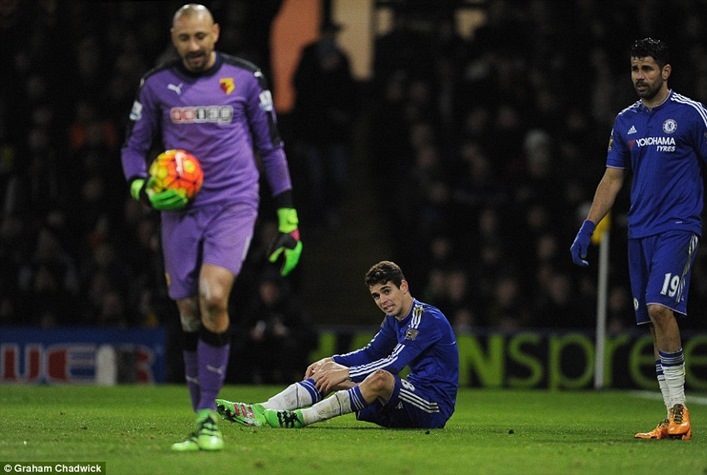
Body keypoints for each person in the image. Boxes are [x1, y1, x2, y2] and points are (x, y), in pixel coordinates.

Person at [120, 4, 303, 451]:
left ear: (215, 33)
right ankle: (202, 417)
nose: (194, 47)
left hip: (233, 203)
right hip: (180, 210)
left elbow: (272, 148)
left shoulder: (244, 79)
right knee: (186, 311)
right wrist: (143, 190)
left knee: (213, 296)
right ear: (174, 37)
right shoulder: (156, 85)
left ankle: (207, 418)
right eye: (185, 39)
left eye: (201, 36)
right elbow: (132, 148)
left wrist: (288, 216)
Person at [569, 38, 707, 441]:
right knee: (652, 320)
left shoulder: (690, 114)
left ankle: (680, 411)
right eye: (634, 69)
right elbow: (613, 178)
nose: (639, 77)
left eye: (647, 69)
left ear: (666, 71)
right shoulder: (625, 120)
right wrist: (588, 225)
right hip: (639, 232)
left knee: (659, 307)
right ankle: (671, 415)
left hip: (679, 227)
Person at [216, 260, 459, 430]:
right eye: (376, 295)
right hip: (406, 401)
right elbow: (371, 353)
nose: (383, 300)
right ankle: (260, 411)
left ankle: (299, 418)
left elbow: (394, 362)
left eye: (387, 291)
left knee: (382, 378)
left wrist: (344, 372)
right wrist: (331, 361)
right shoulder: (394, 319)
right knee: (326, 374)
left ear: (403, 286)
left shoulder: (427, 319)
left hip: (432, 405)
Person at [291, 20, 358, 230]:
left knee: (336, 176)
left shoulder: (341, 59)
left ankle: (330, 212)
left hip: (334, 132)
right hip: (314, 130)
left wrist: (343, 114)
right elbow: (301, 91)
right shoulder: (310, 58)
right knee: (316, 178)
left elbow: (349, 93)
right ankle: (318, 217)